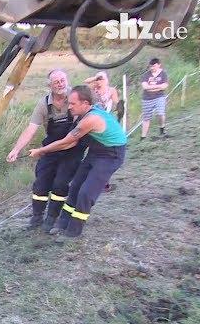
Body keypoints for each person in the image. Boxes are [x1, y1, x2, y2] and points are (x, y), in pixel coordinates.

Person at [29, 85, 127, 241]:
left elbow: (67, 143)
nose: (69, 106)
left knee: (86, 193)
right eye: (69, 103)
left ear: (86, 104)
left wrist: (41, 151)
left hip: (111, 154)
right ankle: (62, 223)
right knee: (75, 186)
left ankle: (74, 231)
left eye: (73, 104)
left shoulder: (90, 119)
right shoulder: (85, 113)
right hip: (96, 151)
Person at [7, 69, 88, 232]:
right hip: (51, 147)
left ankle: (52, 218)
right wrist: (16, 149)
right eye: (56, 81)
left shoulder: (75, 98)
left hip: (73, 148)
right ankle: (37, 217)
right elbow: (31, 129)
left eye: (63, 79)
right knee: (41, 183)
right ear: (49, 85)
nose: (60, 83)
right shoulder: (44, 104)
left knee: (60, 183)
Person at [85, 71, 122, 192]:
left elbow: (117, 105)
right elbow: (84, 84)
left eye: (102, 78)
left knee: (105, 154)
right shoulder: (92, 89)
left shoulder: (111, 90)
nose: (99, 81)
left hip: (106, 123)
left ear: (107, 80)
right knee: (93, 152)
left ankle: (104, 183)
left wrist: (119, 113)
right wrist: (95, 78)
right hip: (92, 124)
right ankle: (93, 179)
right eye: (98, 79)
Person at [140, 58, 169, 140]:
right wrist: (158, 87)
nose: (152, 68)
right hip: (147, 98)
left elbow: (164, 86)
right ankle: (143, 136)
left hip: (159, 97)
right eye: (151, 66)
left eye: (154, 66)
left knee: (160, 113)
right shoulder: (146, 75)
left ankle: (162, 128)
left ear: (159, 65)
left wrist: (152, 88)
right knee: (146, 118)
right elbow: (145, 87)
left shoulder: (163, 74)